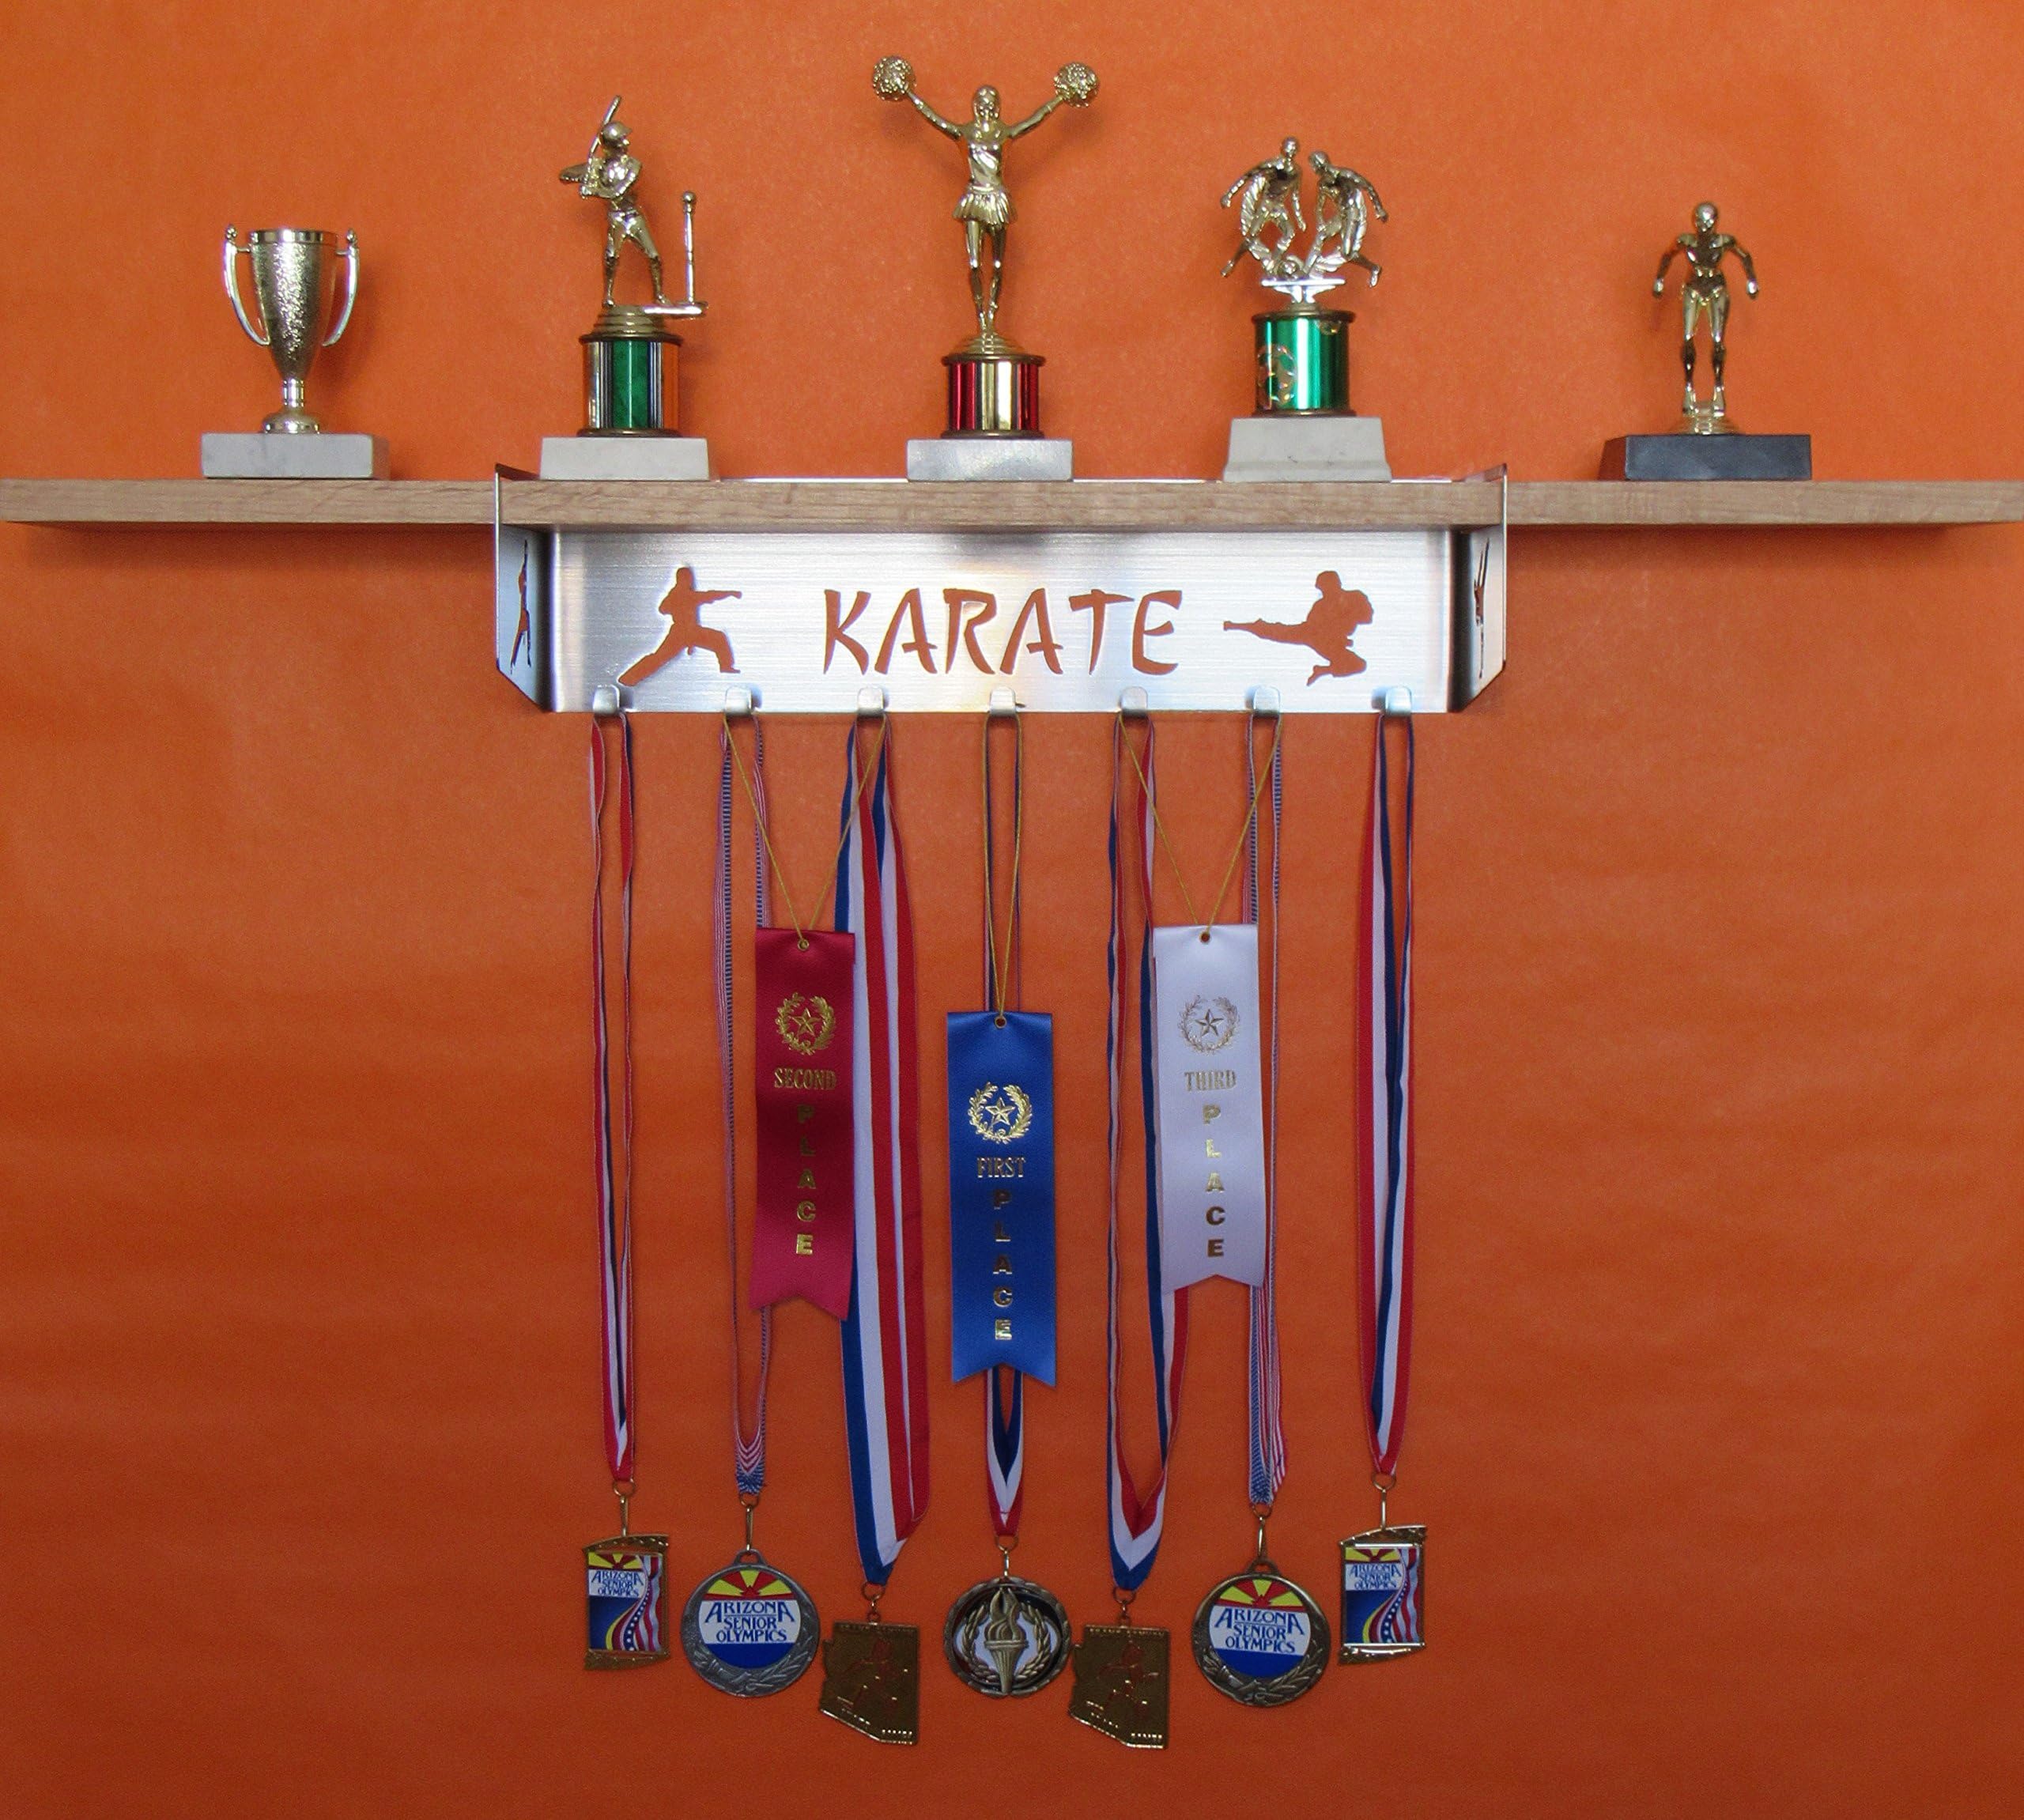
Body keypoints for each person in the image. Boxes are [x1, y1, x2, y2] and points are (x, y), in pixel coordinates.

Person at [1652, 202, 1759, 426]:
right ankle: (1689, 388)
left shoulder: (1725, 242)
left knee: (1718, 340)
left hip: (1716, 288)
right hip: (1693, 287)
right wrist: (1659, 279)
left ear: (1715, 223)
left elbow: (1745, 256)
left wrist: (1751, 281)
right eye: (1699, 221)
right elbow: (1667, 256)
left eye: (1708, 222)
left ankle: (1718, 388)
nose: (1703, 226)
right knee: (1688, 339)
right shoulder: (1685, 241)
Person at [561, 114, 668, 308]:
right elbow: (565, 174)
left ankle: (659, 295)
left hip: (632, 217)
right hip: (615, 218)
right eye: (621, 140)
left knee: (654, 256)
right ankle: (608, 296)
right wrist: (583, 175)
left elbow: (618, 192)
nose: (626, 142)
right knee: (611, 257)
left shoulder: (634, 166)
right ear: (612, 146)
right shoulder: (599, 167)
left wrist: (592, 191)